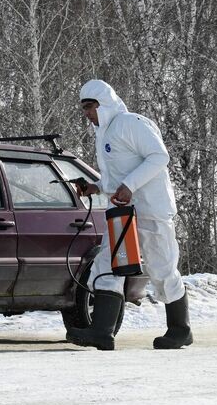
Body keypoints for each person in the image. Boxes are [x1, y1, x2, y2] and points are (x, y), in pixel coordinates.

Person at [71, 79, 191, 351]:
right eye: (84, 108)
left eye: (90, 106)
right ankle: (102, 331)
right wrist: (95, 187)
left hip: (151, 210)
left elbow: (160, 157)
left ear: (105, 103)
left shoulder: (132, 123)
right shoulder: (103, 134)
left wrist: (130, 186)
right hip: (124, 214)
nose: (87, 113)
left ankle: (180, 329)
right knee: (109, 263)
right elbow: (116, 177)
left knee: (161, 267)